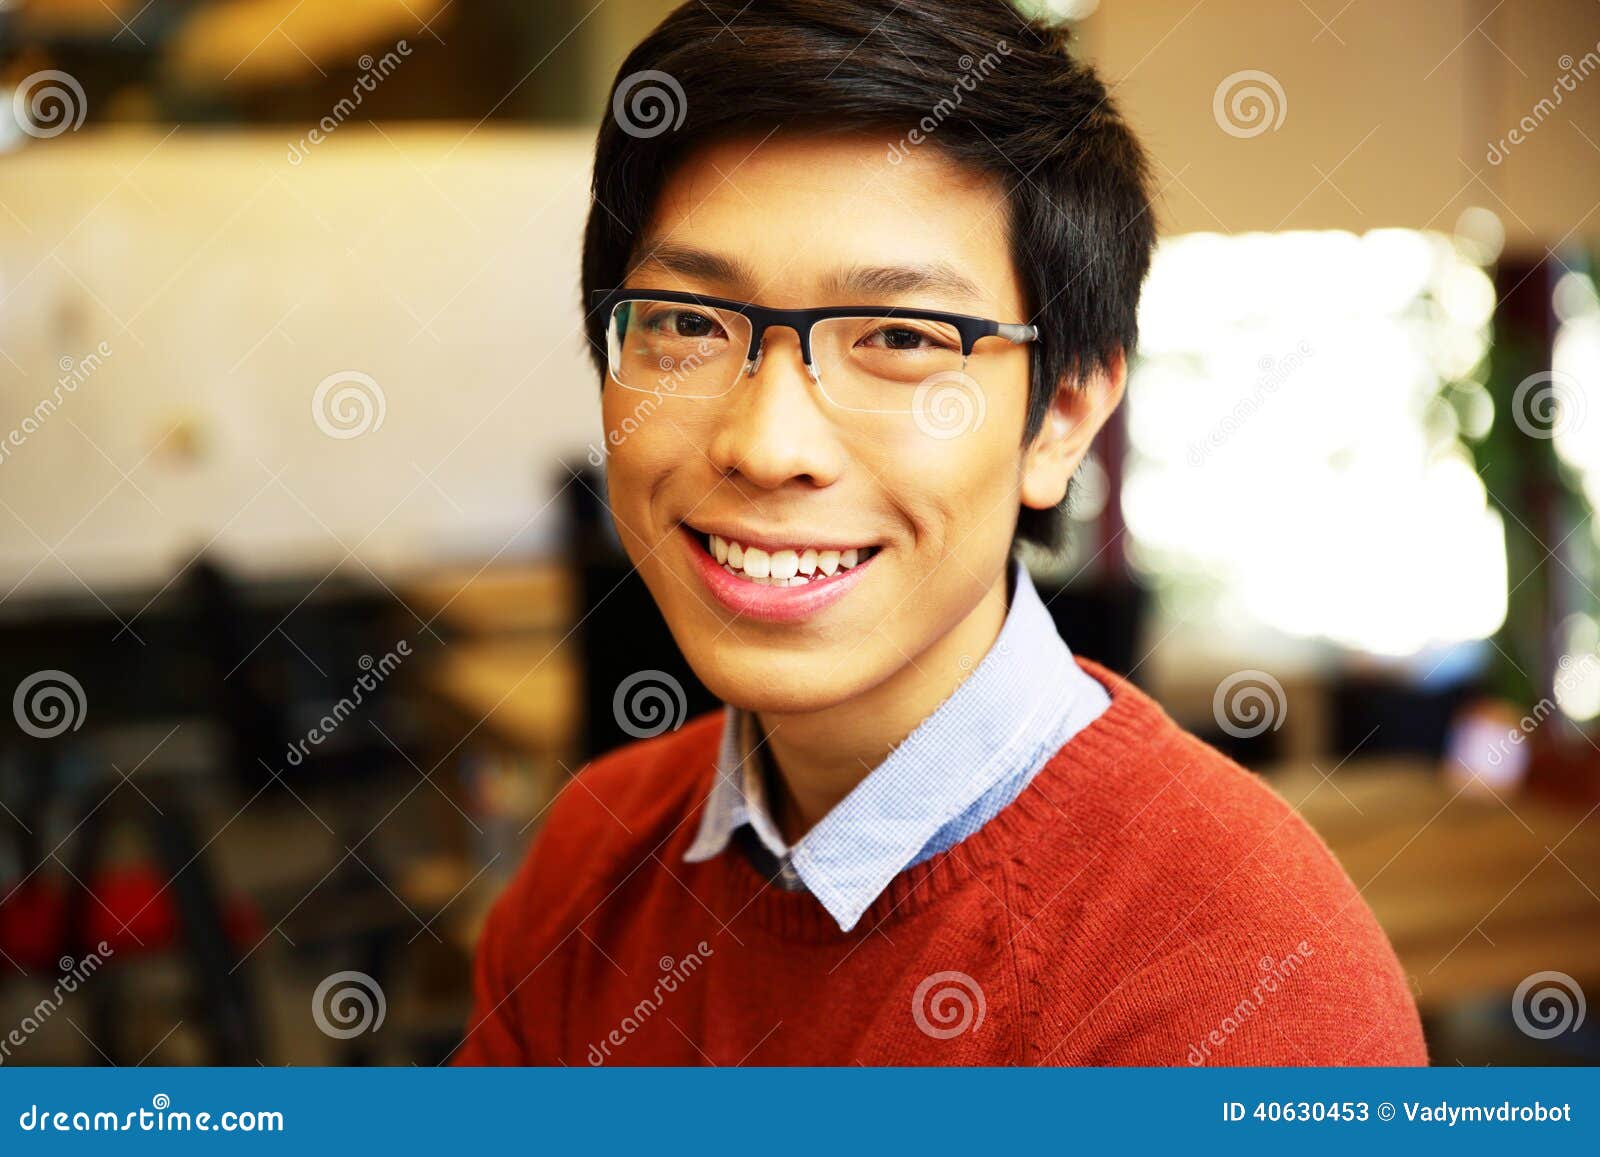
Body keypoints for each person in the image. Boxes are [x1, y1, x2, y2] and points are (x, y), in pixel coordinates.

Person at [455, 0, 1427, 1066]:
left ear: (1061, 416)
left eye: (901, 336)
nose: (768, 442)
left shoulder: (1237, 978)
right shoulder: (594, 853)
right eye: (688, 321)